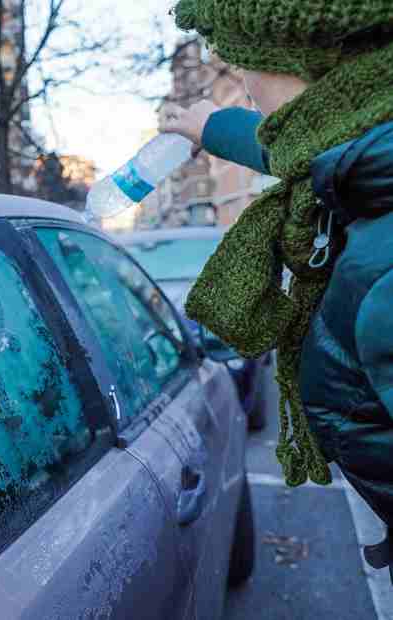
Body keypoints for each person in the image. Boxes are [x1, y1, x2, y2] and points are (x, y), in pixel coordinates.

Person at [163, 0, 393, 578]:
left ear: (316, 74)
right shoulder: (366, 162)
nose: (250, 95)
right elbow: (298, 147)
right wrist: (212, 127)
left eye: (250, 76)